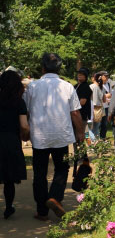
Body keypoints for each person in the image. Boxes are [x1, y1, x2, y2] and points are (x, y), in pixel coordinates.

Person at [23, 53, 83, 220]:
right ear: (59, 68)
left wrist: (25, 131)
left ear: (42, 68)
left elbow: (25, 112)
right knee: (62, 168)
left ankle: (42, 211)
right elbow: (76, 113)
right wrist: (80, 133)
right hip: (61, 136)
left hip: (39, 137)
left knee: (40, 173)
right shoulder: (67, 86)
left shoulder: (33, 87)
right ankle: (55, 197)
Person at [0, 70, 30, 219]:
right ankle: (8, 207)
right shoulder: (19, 101)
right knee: (8, 178)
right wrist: (26, 137)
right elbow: (24, 126)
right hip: (11, 141)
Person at [75, 68, 93, 145]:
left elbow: (82, 102)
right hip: (75, 114)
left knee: (81, 135)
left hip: (82, 115)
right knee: (78, 136)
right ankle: (81, 154)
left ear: (85, 76)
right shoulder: (76, 86)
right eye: (79, 74)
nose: (79, 75)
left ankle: (82, 154)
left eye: (82, 74)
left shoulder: (85, 87)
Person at [89, 73, 105, 141]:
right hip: (99, 110)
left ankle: (92, 142)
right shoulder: (102, 87)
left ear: (94, 78)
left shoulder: (91, 86)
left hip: (91, 109)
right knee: (96, 128)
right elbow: (104, 100)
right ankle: (97, 143)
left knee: (88, 129)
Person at [99, 71, 112, 139]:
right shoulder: (98, 84)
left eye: (107, 76)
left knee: (105, 124)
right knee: (98, 124)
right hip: (99, 107)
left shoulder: (108, 84)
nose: (107, 77)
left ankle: (103, 138)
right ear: (101, 76)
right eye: (105, 76)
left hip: (106, 106)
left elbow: (111, 94)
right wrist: (107, 95)